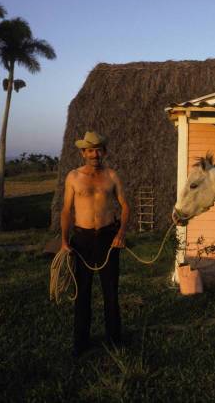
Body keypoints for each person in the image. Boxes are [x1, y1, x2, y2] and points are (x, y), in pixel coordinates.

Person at [60, 131, 130, 357]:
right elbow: (66, 210)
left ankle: (114, 341)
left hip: (108, 238)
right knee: (83, 293)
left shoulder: (112, 175)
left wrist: (121, 233)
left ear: (104, 151)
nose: (95, 154)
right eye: (90, 150)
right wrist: (63, 240)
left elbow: (125, 206)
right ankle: (80, 344)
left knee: (111, 292)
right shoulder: (73, 177)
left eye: (98, 149)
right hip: (82, 239)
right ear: (83, 153)